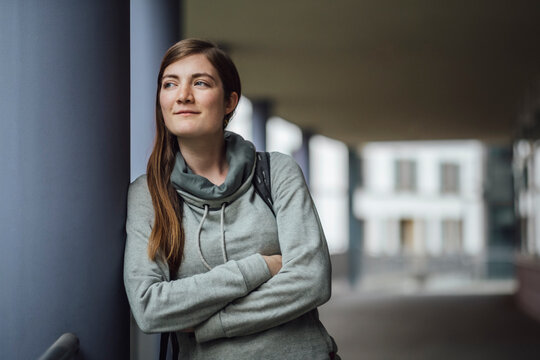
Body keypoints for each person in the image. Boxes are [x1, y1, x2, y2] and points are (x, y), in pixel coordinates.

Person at [124, 38, 339, 359]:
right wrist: (262, 266)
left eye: (200, 83)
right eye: (170, 84)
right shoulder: (148, 193)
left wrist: (210, 324)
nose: (183, 95)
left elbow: (312, 280)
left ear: (229, 102)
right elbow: (149, 308)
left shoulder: (276, 171)